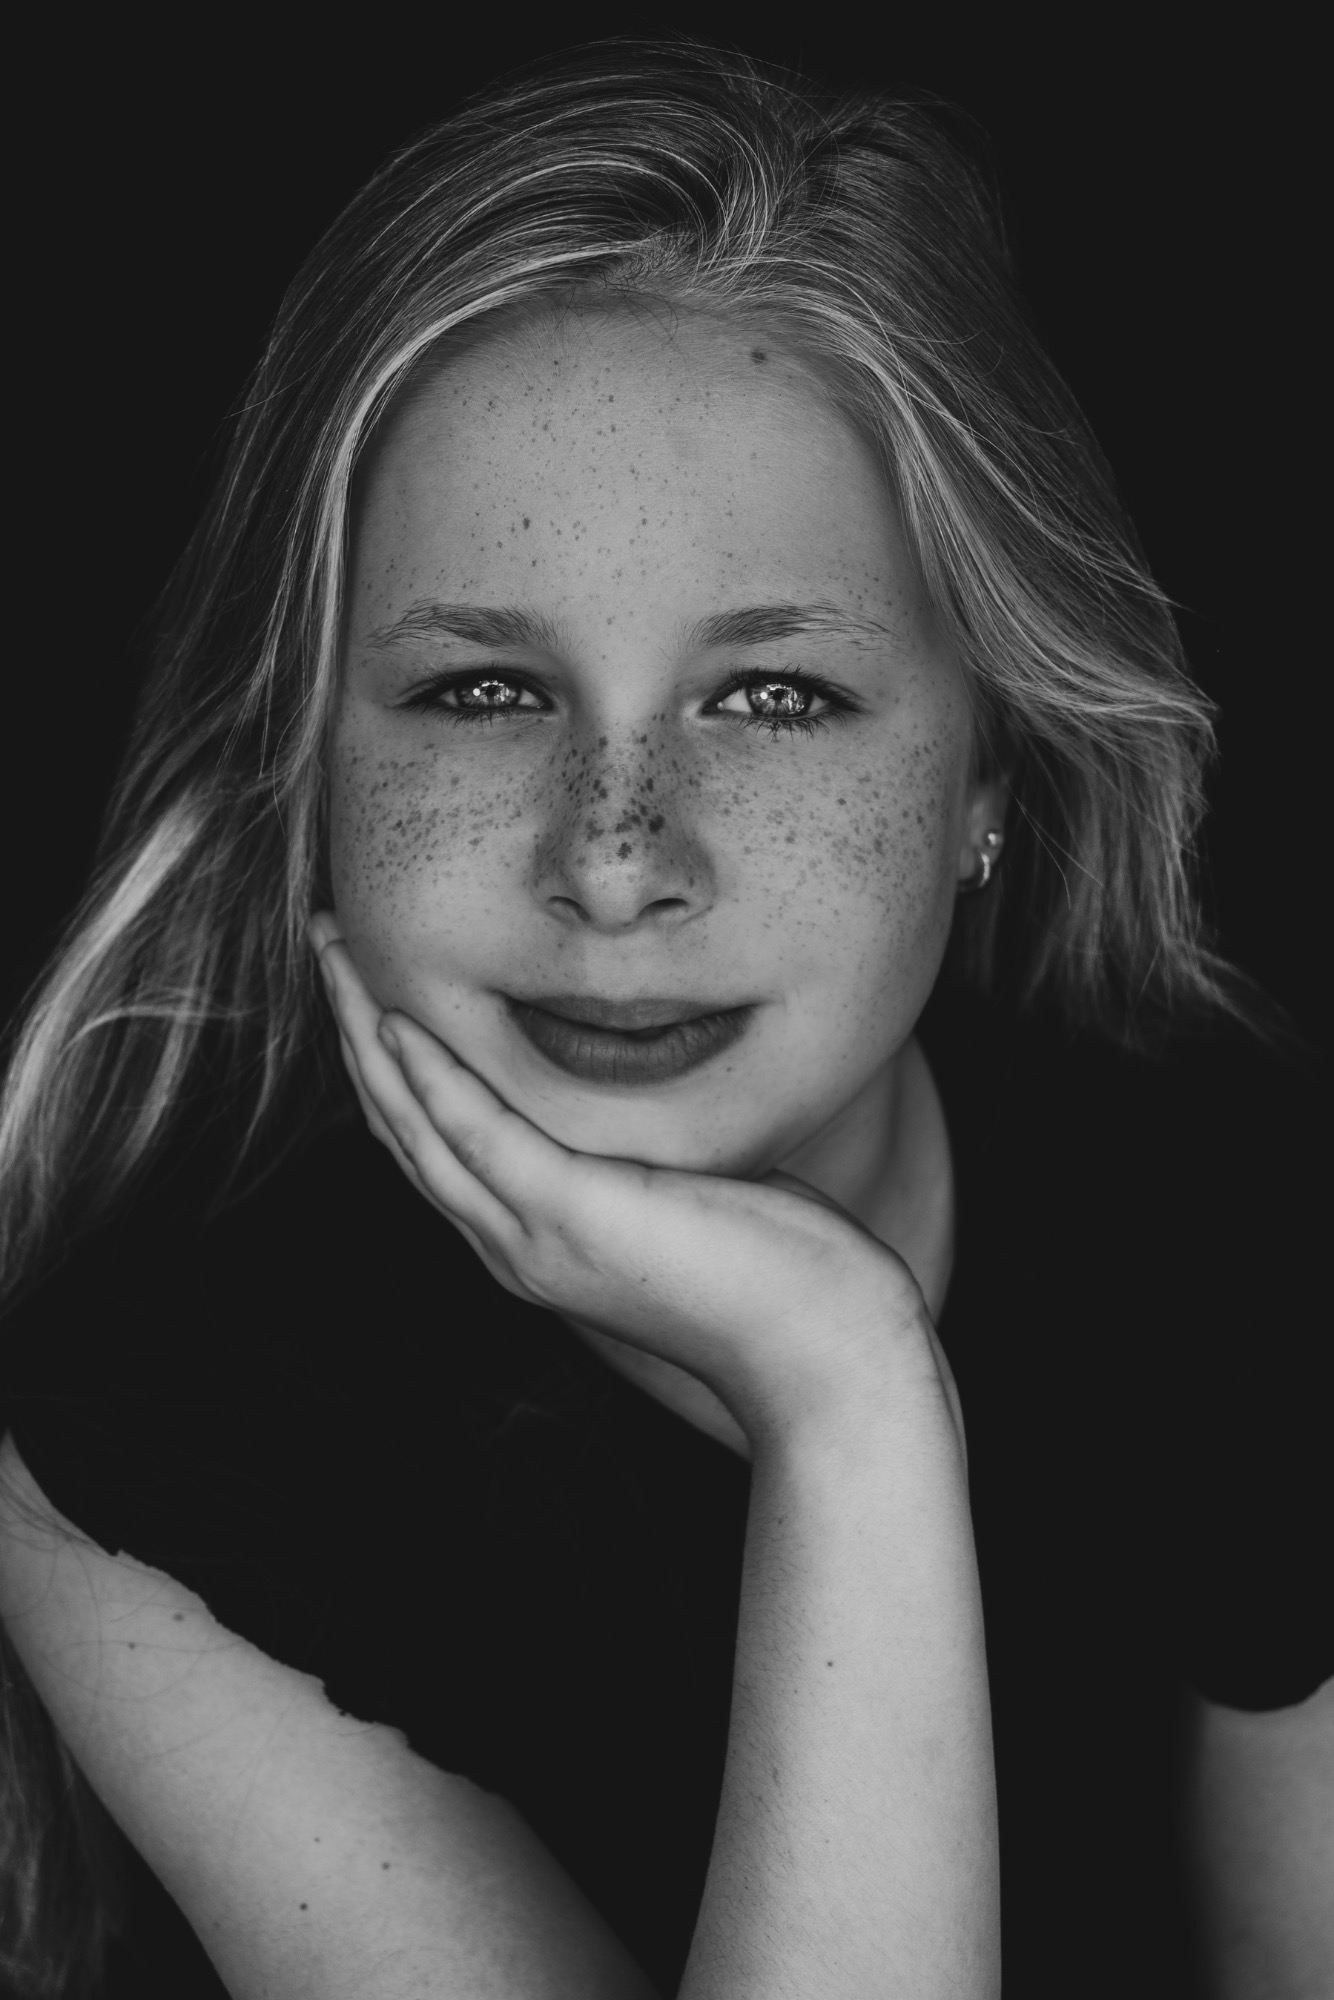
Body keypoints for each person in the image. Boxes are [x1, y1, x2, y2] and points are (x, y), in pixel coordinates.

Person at [0, 40, 1328, 2000]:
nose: (616, 860)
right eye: (481, 692)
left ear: (986, 775)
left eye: (774, 697)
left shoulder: (1250, 1214)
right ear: (313, 769)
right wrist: (842, 1392)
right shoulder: (128, 1447)